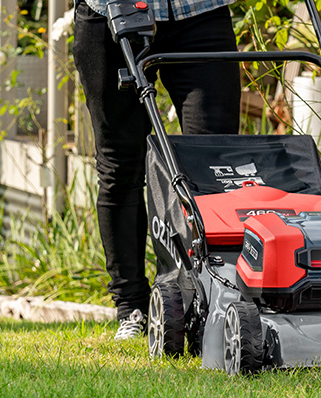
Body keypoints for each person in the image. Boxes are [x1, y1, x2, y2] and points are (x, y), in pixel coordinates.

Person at [73, 0, 241, 339]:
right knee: (120, 166)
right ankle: (131, 307)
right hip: (110, 13)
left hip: (199, 11)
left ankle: (213, 299)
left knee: (215, 163)